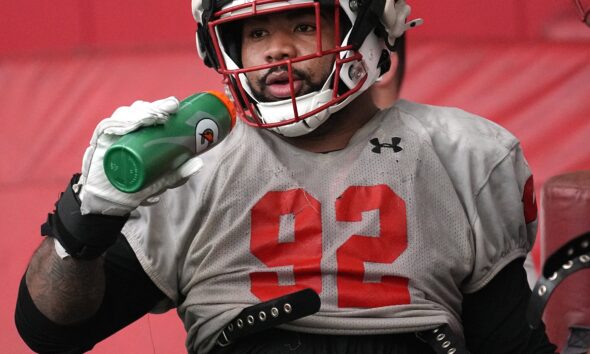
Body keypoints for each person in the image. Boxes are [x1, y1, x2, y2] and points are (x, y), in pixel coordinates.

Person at [15, 0, 558, 353]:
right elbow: (51, 330)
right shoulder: (184, 164)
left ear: (367, 30)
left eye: (302, 24)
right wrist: (82, 223)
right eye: (256, 33)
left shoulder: (463, 152)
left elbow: (505, 338)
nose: (277, 49)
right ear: (224, 48)